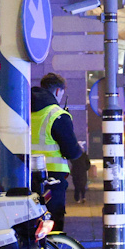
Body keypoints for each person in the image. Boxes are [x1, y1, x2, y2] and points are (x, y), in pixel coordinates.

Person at [29, 73, 84, 232]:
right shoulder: (57, 114)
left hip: (27, 175)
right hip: (52, 179)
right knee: (53, 223)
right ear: (59, 91)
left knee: (33, 224)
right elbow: (72, 152)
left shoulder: (26, 109)